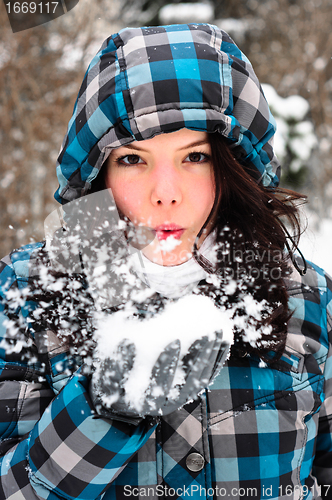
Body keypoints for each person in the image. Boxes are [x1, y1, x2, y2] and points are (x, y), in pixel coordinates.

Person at [0, 22, 331, 500]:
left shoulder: (308, 297)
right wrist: (102, 409)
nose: (166, 194)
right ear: (98, 174)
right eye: (133, 160)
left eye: (193, 157)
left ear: (233, 164)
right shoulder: (28, 292)